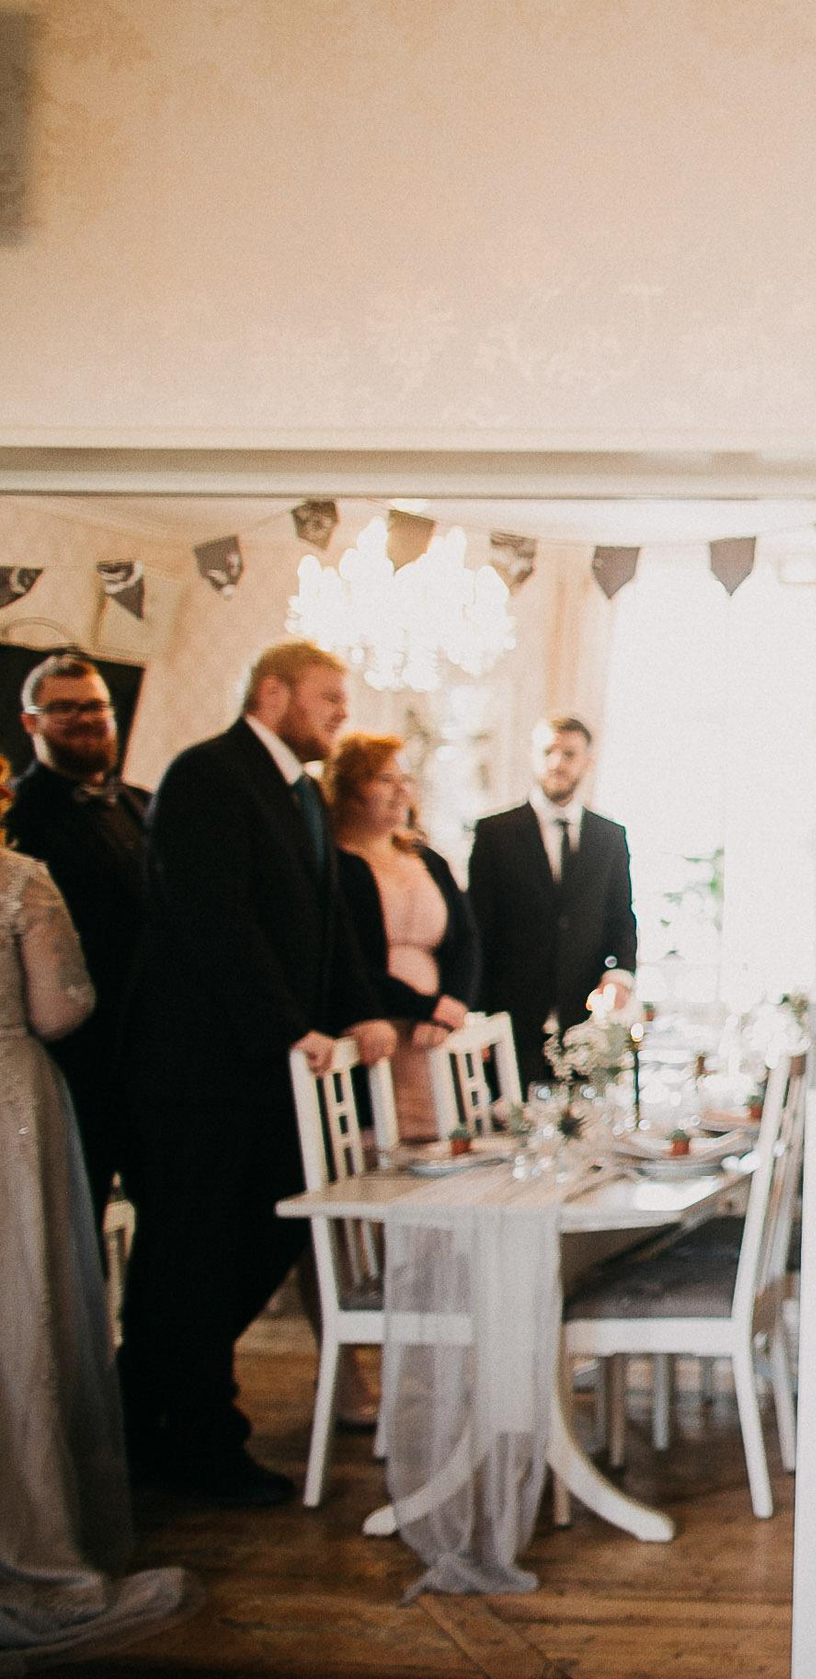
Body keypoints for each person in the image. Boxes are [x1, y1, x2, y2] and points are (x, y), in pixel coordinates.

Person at [116, 641, 396, 1508]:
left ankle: (148, 1406)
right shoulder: (207, 775)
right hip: (195, 1075)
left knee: (256, 1242)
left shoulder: (300, 792)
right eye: (327, 697)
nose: (340, 713)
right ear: (271, 692)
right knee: (191, 1258)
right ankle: (192, 1440)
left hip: (266, 1076)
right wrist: (291, 1028)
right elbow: (216, 924)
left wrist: (361, 1007)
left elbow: (324, 921)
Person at [0, 767, 199, 1664]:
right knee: (22, 1313)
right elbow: (60, 1007)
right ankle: (32, 1538)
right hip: (10, 1112)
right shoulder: (19, 878)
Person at [6, 652, 151, 1226]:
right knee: (72, 1221)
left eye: (95, 706)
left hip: (147, 1053)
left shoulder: (140, 804)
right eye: (64, 709)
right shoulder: (17, 817)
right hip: (70, 1058)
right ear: (31, 723)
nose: (86, 719)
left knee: (170, 1218)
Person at [327, 732, 478, 1145]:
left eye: (404, 779)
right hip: (380, 1026)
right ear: (349, 789)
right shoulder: (335, 866)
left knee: (449, 1143)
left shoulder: (427, 858)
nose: (400, 791)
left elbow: (465, 939)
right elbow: (350, 961)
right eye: (383, 779)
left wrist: (453, 1004)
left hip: (437, 1030)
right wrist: (426, 1007)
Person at [468, 715, 636, 1081]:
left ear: (587, 761)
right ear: (533, 755)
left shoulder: (610, 836)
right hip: (510, 1019)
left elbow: (621, 917)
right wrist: (475, 1015)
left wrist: (619, 975)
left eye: (569, 753)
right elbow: (477, 927)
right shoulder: (495, 833)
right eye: (549, 751)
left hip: (584, 1021)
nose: (557, 762)